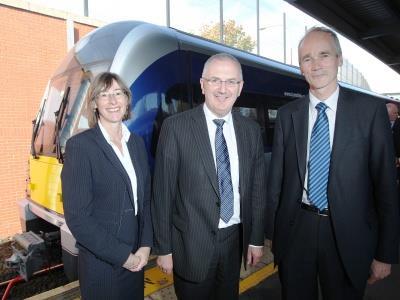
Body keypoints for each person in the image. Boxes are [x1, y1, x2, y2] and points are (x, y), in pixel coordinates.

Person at [267, 26, 399, 300]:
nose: (315, 65)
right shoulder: (287, 115)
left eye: (323, 55)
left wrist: (385, 253)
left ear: (339, 58)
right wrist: (271, 236)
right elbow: (276, 183)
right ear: (300, 67)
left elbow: (385, 187)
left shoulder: (370, 112)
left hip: (348, 235)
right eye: (306, 58)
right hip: (296, 232)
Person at [152, 53, 266, 300]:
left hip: (234, 241)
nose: (223, 88)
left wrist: (256, 239)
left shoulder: (251, 131)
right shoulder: (176, 127)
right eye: (215, 80)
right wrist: (163, 248)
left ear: (240, 88)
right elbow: (162, 194)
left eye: (231, 81)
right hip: (190, 245)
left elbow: (257, 191)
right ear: (202, 84)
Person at [61, 72, 152, 299]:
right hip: (103, 267)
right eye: (104, 95)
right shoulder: (80, 147)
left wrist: (146, 245)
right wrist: (124, 256)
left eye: (118, 93)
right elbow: (78, 218)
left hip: (136, 260)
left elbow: (146, 200)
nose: (112, 101)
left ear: (127, 99)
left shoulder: (137, 143)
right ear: (94, 104)